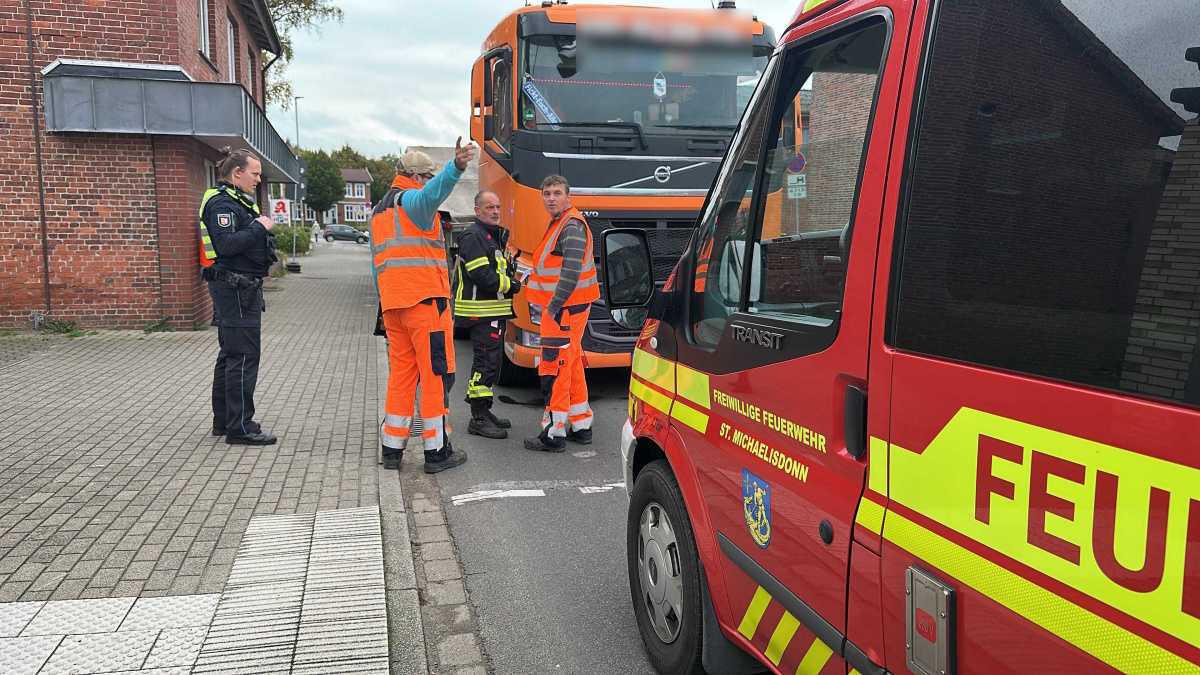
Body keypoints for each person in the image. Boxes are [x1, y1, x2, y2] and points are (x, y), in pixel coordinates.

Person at [372, 139, 475, 473]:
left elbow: (378, 265)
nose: (431, 182)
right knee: (434, 376)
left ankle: (392, 449)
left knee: (401, 377)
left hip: (394, 307)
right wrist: (456, 167)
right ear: (416, 177)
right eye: (428, 176)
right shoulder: (412, 201)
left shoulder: (379, 211)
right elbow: (431, 196)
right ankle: (436, 452)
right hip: (424, 304)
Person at [199, 147, 279, 445]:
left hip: (239, 287)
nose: (258, 179)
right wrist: (259, 227)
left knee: (231, 356)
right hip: (235, 288)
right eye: (255, 173)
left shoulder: (235, 202)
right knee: (243, 357)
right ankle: (240, 427)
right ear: (237, 173)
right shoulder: (222, 205)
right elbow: (227, 245)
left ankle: (225, 421)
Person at [524, 175, 599, 452]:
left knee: (555, 366)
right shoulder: (562, 223)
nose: (551, 198)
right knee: (572, 362)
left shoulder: (571, 225)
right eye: (546, 193)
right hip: (567, 307)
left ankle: (554, 432)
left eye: (557, 193)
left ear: (568, 196)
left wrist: (554, 306)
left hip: (563, 310)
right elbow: (555, 268)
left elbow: (570, 271)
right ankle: (581, 424)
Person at [454, 191, 521, 439]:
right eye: (489, 207)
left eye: (498, 206)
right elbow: (482, 276)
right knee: (484, 363)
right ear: (477, 209)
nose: (495, 211)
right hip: (479, 312)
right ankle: (478, 417)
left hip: (492, 311)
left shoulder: (490, 236)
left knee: (491, 364)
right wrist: (511, 285)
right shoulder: (474, 236)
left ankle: (485, 409)